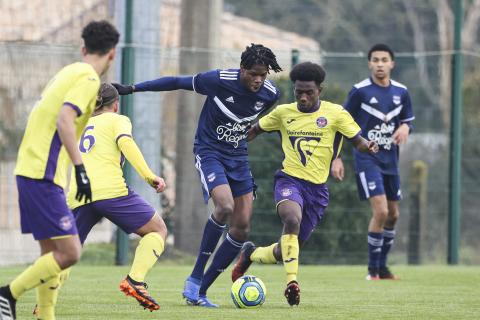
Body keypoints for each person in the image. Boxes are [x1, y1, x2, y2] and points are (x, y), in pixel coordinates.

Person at [113, 43, 282, 308]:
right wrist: (133, 88)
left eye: (263, 74)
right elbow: (176, 82)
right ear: (242, 69)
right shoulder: (217, 80)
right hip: (209, 152)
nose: (258, 79)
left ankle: (201, 290)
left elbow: (250, 121)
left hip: (238, 158)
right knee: (224, 206)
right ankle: (194, 275)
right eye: (253, 73)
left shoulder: (271, 94)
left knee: (243, 226)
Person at [230, 61, 378, 306]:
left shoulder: (336, 114)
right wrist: (228, 143)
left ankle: (251, 254)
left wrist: (369, 146)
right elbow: (253, 130)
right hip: (289, 180)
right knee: (291, 218)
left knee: (286, 250)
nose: (303, 97)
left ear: (320, 90)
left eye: (309, 92)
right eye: (299, 92)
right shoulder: (283, 113)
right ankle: (292, 283)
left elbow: (358, 140)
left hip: (317, 191)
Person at [0, 20, 119, 320]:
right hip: (44, 173)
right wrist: (80, 170)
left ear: (83, 48)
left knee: (50, 254)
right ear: (113, 55)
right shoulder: (89, 79)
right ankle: (8, 294)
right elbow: (65, 120)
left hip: (30, 169)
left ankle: (45, 316)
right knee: (70, 253)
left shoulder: (68, 72)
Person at [64, 83, 167, 312]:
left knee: (67, 252)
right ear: (116, 105)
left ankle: (44, 302)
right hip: (110, 191)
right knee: (157, 230)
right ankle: (135, 280)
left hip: (79, 194)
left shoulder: (79, 125)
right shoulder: (117, 119)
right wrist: (150, 177)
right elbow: (126, 143)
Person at [330, 44, 414, 280]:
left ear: (392, 63)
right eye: (375, 60)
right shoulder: (359, 91)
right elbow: (340, 123)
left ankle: (383, 268)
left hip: (391, 161)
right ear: (369, 64)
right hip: (367, 159)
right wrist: (336, 158)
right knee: (381, 211)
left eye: (384, 59)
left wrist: (406, 127)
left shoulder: (402, 92)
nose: (379, 64)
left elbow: (407, 120)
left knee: (393, 215)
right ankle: (372, 271)